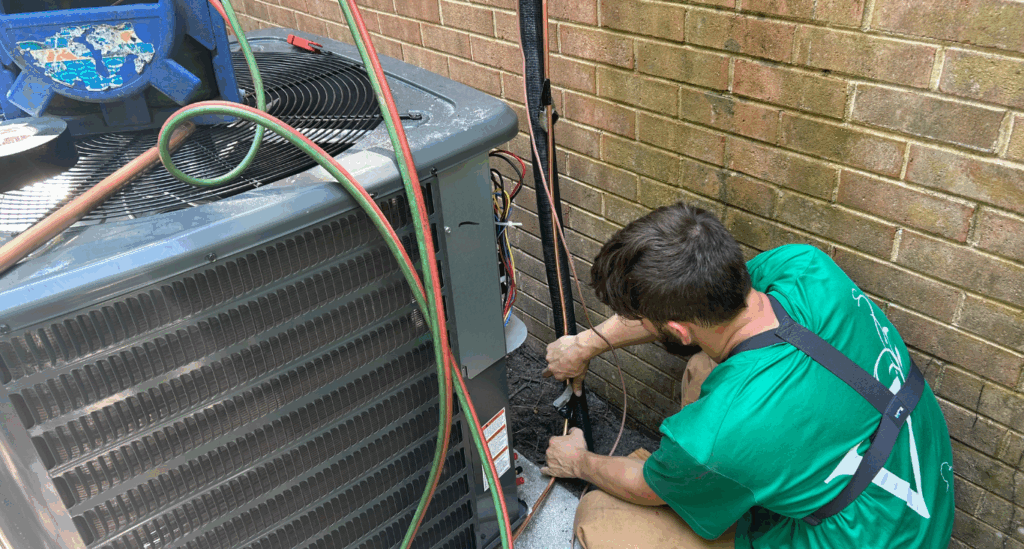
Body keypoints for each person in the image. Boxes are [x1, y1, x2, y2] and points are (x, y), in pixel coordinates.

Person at [540, 202, 954, 549]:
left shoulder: (719, 435)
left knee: (600, 519)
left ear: (678, 329)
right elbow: (689, 307)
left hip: (867, 538)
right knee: (702, 368)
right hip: (922, 483)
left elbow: (647, 488)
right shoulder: (804, 264)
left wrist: (578, 462)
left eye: (643, 320)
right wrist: (585, 345)